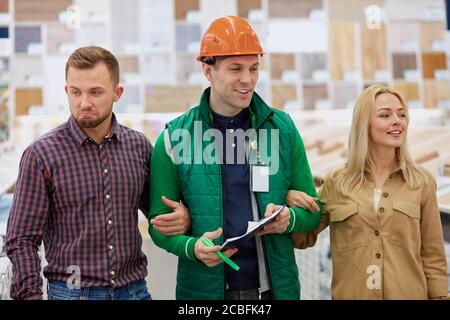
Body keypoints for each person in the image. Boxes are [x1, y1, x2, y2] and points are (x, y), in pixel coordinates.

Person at [148, 16, 322, 300]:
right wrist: (192, 247)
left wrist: (288, 219)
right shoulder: (174, 137)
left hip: (274, 289)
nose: (248, 79)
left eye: (254, 68)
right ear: (208, 71)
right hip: (205, 292)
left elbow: (312, 211)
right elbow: (159, 224)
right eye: (235, 69)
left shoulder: (282, 129)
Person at [5, 46, 190, 300]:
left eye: (95, 92)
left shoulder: (139, 146)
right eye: (75, 92)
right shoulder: (41, 155)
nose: (84, 103)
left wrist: (180, 218)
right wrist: (30, 296)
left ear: (117, 93)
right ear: (66, 91)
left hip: (134, 291)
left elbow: (158, 215)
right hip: (71, 292)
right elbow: (22, 239)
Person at [288, 84, 449, 299]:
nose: (397, 120)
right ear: (364, 124)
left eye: (402, 114)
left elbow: (433, 256)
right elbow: (303, 237)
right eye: (385, 115)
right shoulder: (338, 182)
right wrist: (290, 201)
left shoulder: (421, 182)